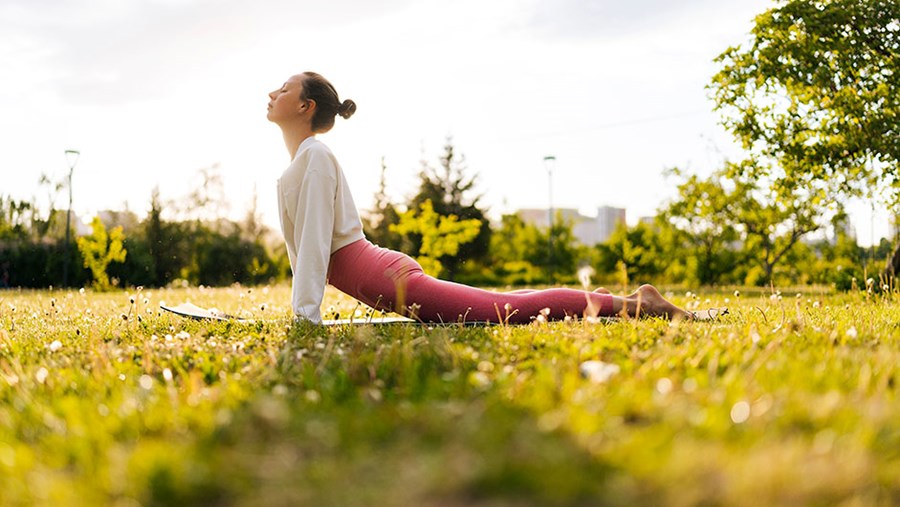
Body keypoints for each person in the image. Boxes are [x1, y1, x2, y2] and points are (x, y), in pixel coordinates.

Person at [268, 72, 696, 324]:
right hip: (373, 277)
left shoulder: (316, 157)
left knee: (504, 311)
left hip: (387, 278)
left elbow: (315, 244)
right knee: (503, 307)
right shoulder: (297, 165)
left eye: (283, 89)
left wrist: (305, 316)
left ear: (306, 106)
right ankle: (601, 301)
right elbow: (304, 249)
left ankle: (643, 304)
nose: (272, 94)